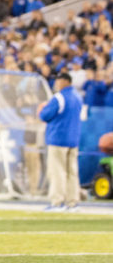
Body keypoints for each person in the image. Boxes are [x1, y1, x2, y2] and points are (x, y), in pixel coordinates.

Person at [39, 72, 83, 211]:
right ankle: (72, 202)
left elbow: (45, 115)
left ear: (65, 81)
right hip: (73, 139)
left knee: (57, 171)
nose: (57, 83)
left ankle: (57, 202)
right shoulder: (78, 97)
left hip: (58, 138)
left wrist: (42, 108)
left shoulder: (59, 97)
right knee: (72, 172)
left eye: (58, 80)